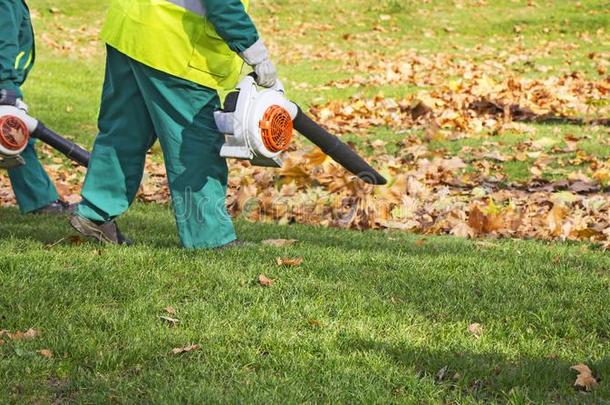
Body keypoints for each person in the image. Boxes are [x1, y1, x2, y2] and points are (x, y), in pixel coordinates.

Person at [69, 0, 277, 248]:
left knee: (125, 131)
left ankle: (96, 211)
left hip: (129, 27)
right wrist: (256, 54)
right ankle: (209, 238)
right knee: (195, 144)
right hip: (174, 45)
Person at [0, 0, 74, 215]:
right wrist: (5, 87)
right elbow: (3, 42)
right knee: (14, 135)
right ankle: (41, 202)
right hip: (4, 81)